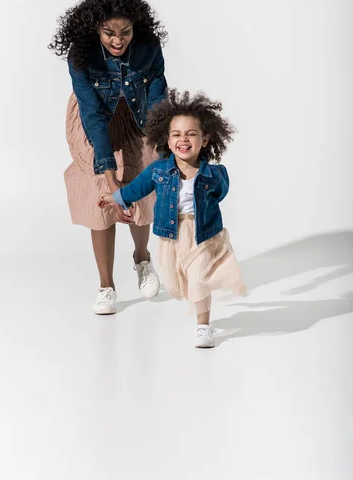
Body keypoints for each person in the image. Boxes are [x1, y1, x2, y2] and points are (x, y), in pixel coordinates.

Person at [49, 0, 168, 315]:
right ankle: (106, 285)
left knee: (141, 192)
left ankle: (142, 258)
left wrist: (164, 143)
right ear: (95, 29)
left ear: (136, 27)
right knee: (100, 198)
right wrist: (108, 170)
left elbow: (158, 98)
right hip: (95, 123)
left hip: (138, 120)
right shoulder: (82, 54)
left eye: (125, 32)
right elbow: (91, 112)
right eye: (109, 33)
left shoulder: (148, 47)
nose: (118, 40)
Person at [98, 89, 247, 348]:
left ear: (205, 139)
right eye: (176, 134)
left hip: (202, 232)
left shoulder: (213, 173)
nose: (184, 139)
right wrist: (116, 198)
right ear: (167, 141)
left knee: (199, 278)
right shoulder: (159, 170)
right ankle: (195, 297)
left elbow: (221, 192)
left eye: (191, 134)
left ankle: (203, 326)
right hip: (171, 233)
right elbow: (137, 189)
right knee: (176, 282)